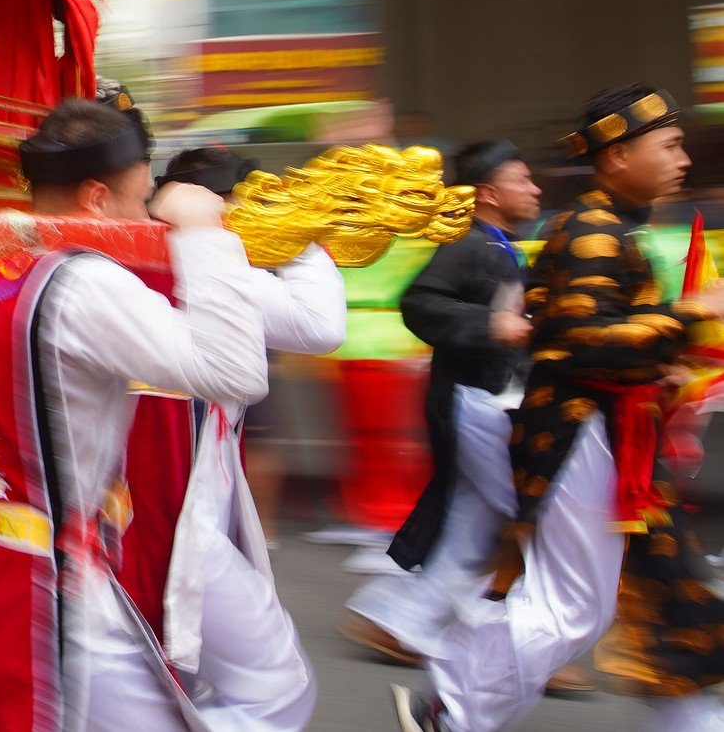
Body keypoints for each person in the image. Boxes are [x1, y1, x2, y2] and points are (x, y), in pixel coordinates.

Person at [0, 96, 270, 731]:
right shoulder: (80, 282)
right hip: (54, 585)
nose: (147, 219)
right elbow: (235, 372)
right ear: (96, 201)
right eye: (139, 203)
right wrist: (205, 237)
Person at [394, 86, 724, 732]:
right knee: (575, 608)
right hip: (583, 435)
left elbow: (601, 334)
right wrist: (691, 314)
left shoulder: (607, 226)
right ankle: (451, 709)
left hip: (614, 439)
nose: (683, 158)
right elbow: (582, 341)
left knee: (668, 596)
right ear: (620, 154)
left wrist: (666, 362)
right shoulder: (591, 231)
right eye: (671, 144)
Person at [346, 139, 595, 694]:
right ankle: (528, 645)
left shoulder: (504, 247)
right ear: (488, 192)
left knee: (477, 525)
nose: (534, 190)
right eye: (522, 179)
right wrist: (491, 325)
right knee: (530, 520)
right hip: (474, 403)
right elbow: (419, 303)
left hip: (492, 401)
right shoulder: (467, 243)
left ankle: (402, 623)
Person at [152, 145, 348, 731]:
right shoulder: (211, 261)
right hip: (175, 494)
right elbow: (320, 327)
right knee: (273, 683)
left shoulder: (152, 251)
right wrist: (304, 239)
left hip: (171, 481)